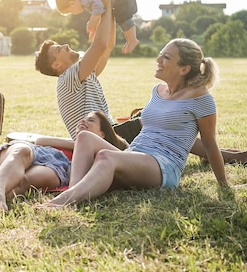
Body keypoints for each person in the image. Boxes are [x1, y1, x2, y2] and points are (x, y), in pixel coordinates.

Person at [36, 0, 247, 165]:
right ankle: (228, 156)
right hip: (101, 141)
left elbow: (108, 45)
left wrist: (107, 10)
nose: (64, 45)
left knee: (152, 116)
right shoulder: (70, 77)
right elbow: (100, 44)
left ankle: (216, 153)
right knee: (155, 119)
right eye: (58, 49)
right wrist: (106, 4)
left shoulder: (82, 75)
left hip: (109, 135)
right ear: (56, 65)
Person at [37, 38, 228, 209]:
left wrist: (224, 186)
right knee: (85, 137)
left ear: (184, 69)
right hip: (135, 153)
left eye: (166, 58)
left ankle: (66, 200)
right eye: (160, 55)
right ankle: (74, 190)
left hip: (164, 166)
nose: (158, 60)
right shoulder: (158, 91)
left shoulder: (201, 98)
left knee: (106, 156)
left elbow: (210, 145)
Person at [0, 110, 128, 213]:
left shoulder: (102, 153)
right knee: (21, 151)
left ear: (103, 134)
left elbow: (120, 158)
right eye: (84, 118)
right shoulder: (74, 142)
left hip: (59, 168)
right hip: (36, 152)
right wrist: (76, 143)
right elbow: (39, 141)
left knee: (26, 182)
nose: (83, 121)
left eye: (91, 120)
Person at [55, 0, 139, 54]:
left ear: (72, 4)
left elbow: (99, 7)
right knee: (120, 17)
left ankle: (132, 40)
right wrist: (94, 30)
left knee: (123, 17)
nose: (74, 13)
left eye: (71, 11)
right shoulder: (86, 0)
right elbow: (100, 14)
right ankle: (130, 40)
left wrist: (92, 21)